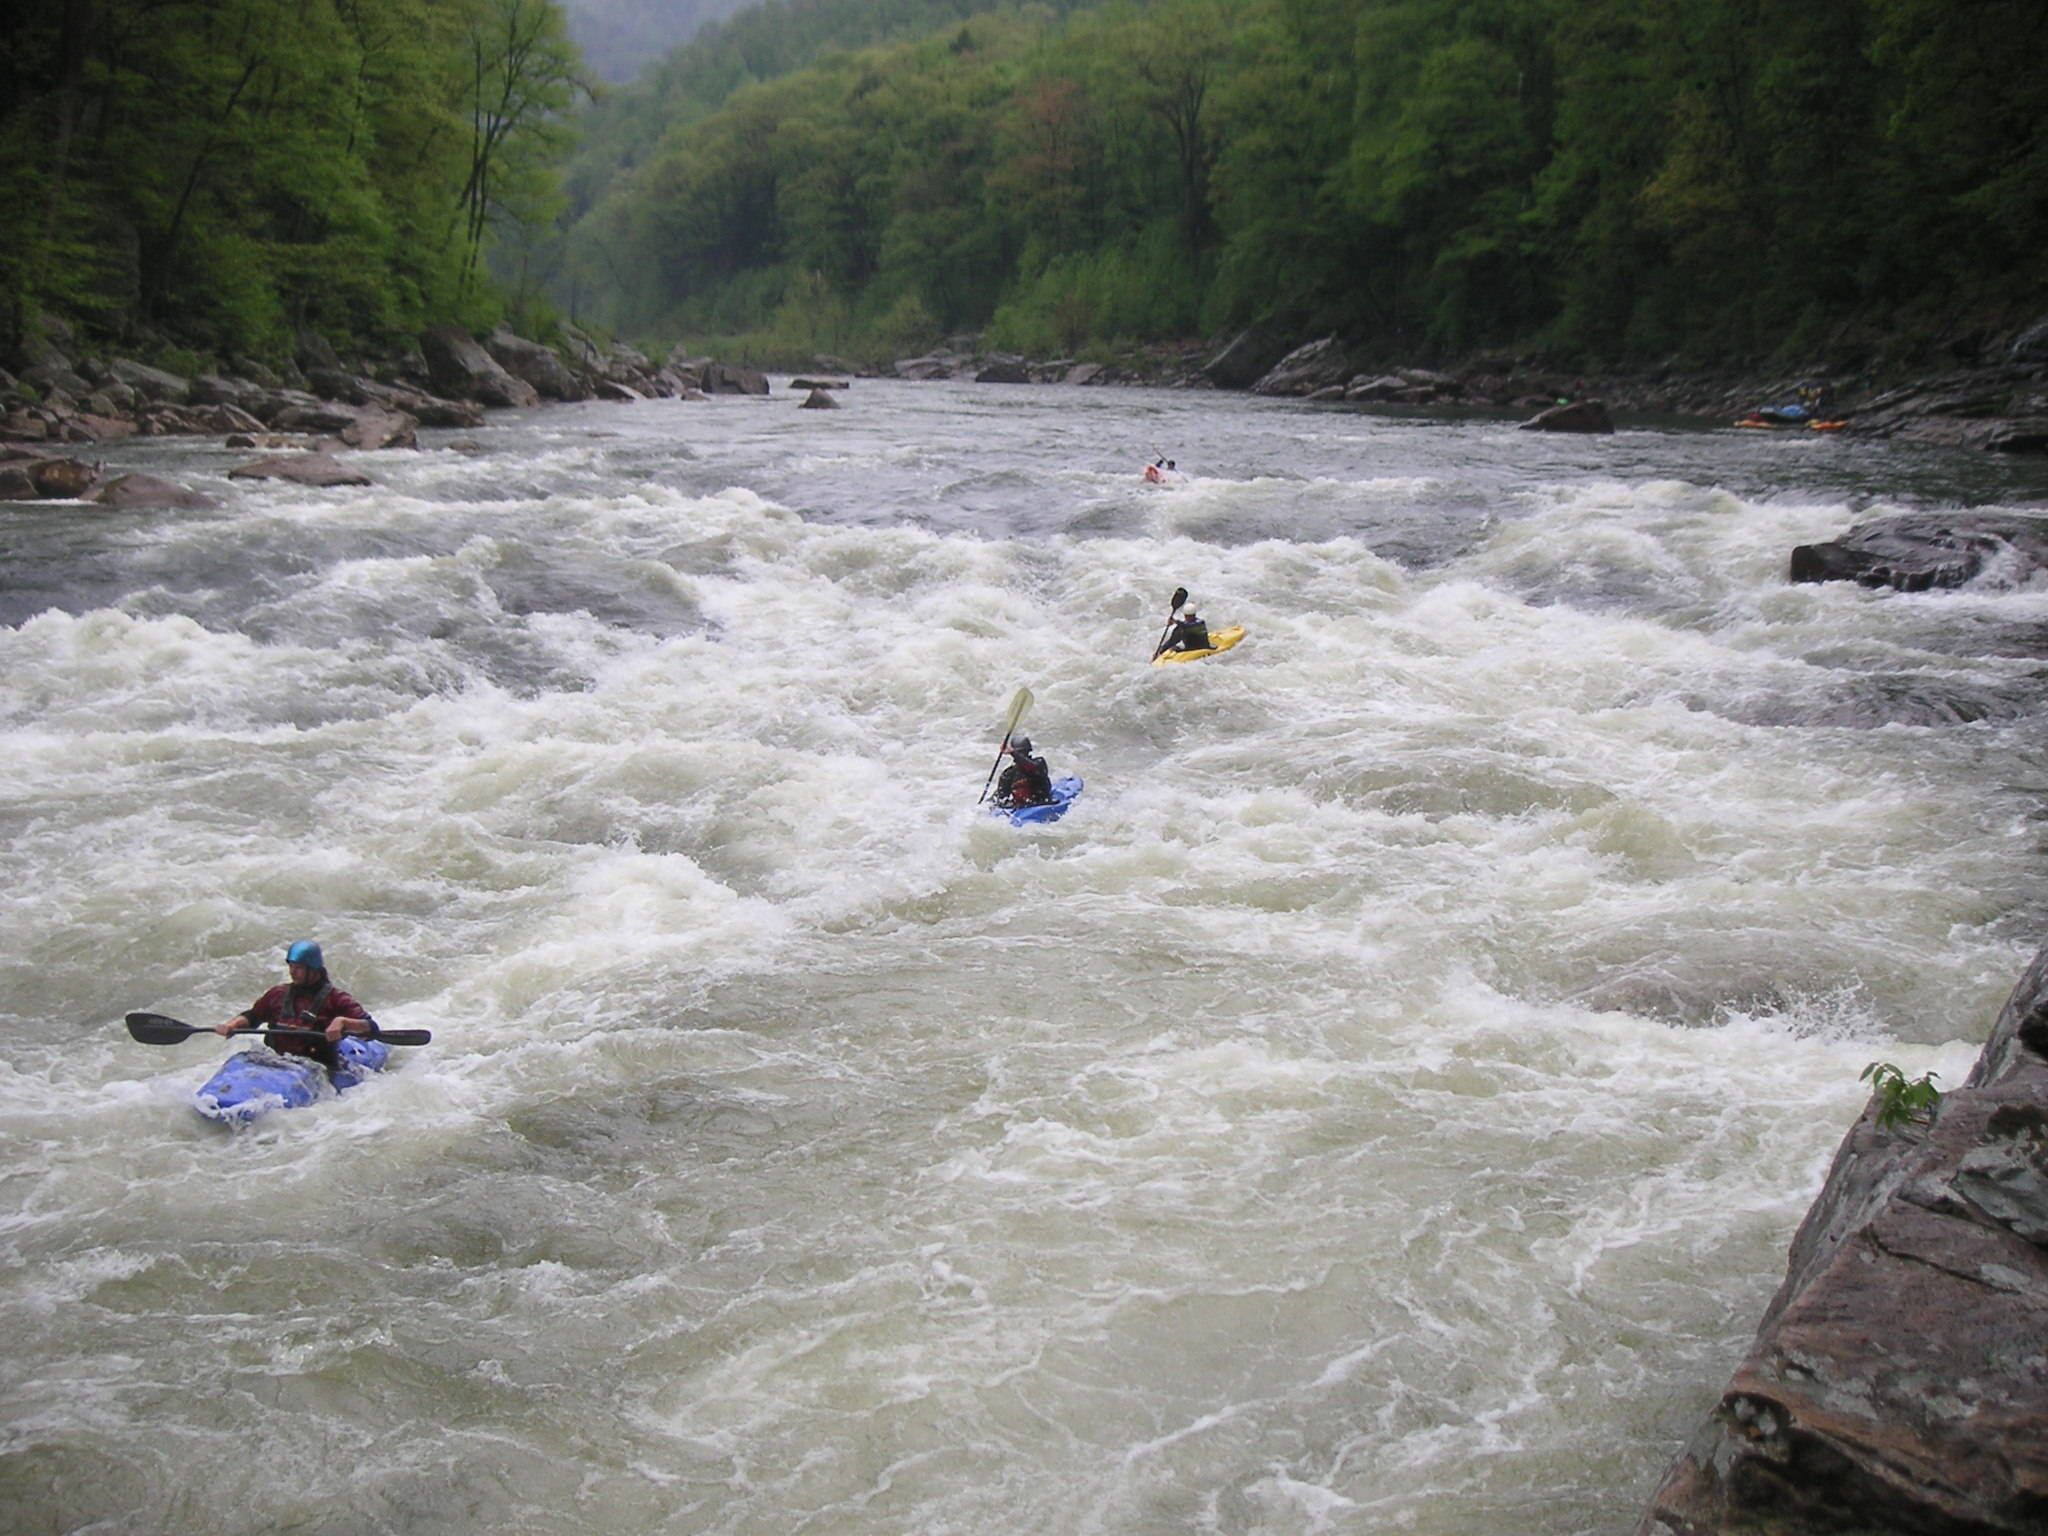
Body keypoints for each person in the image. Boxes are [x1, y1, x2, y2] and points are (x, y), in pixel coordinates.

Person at [217, 940, 377, 1068]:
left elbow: (371, 1027)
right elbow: (253, 1017)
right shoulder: (277, 994)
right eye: (291, 966)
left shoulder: (336, 998)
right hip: (275, 1062)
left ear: (314, 969)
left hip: (315, 1066)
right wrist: (232, 1025)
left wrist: (343, 1022)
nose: (292, 972)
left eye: (299, 968)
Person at [994, 735, 1053, 809]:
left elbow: (1030, 768)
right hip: (1022, 808)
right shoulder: (1009, 774)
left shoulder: (1039, 763)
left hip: (1042, 803)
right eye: (1020, 752)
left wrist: (1013, 752)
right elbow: (1000, 798)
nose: (1022, 755)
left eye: (1023, 752)